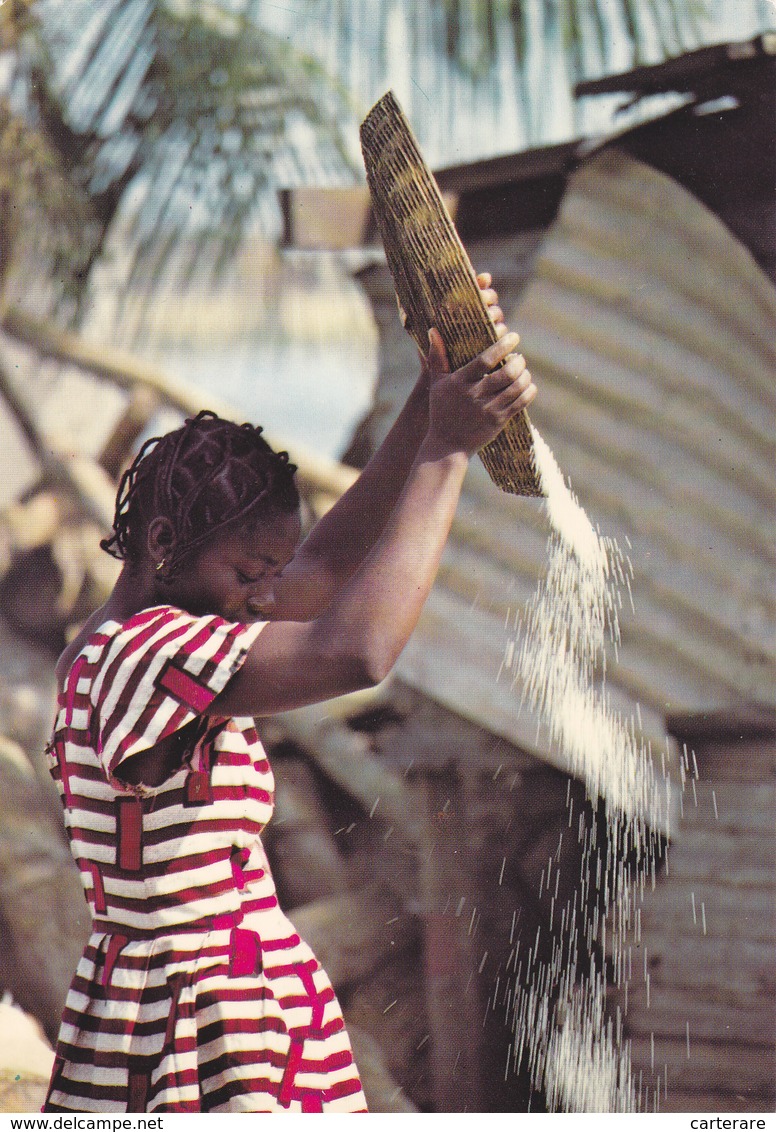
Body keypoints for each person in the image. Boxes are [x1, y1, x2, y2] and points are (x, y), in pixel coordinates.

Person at [43, 276, 536, 1113]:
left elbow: (318, 574)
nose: (265, 598)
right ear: (163, 544)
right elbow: (361, 649)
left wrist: (425, 401)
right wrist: (448, 453)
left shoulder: (111, 647)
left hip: (169, 998)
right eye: (247, 574)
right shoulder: (150, 656)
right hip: (202, 1021)